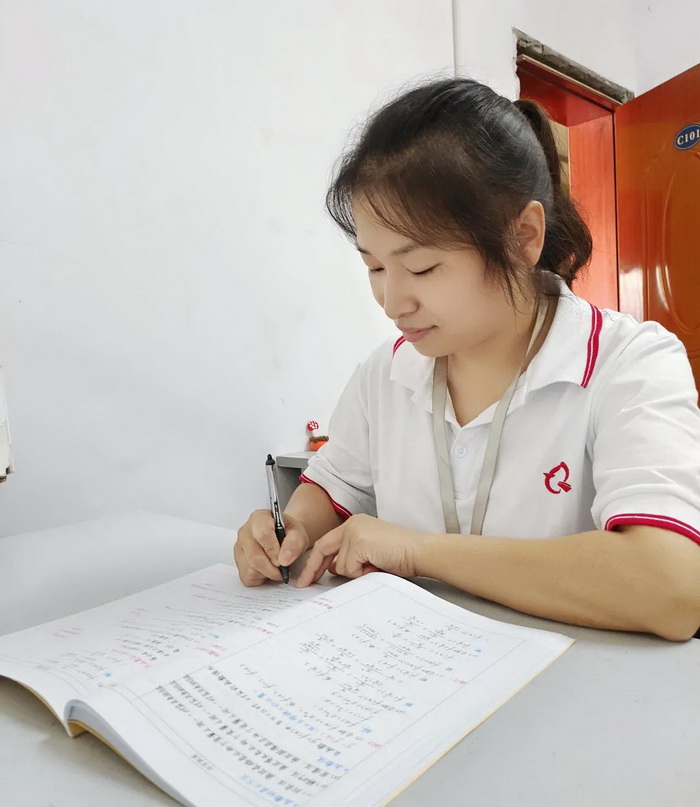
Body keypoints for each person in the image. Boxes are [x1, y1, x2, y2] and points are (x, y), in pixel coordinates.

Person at [234, 77, 700, 641]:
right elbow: (330, 491)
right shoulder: (387, 372)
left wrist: (420, 552)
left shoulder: (629, 363)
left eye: (422, 267)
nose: (392, 301)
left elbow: (672, 587)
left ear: (522, 237)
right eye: (374, 267)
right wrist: (289, 532)